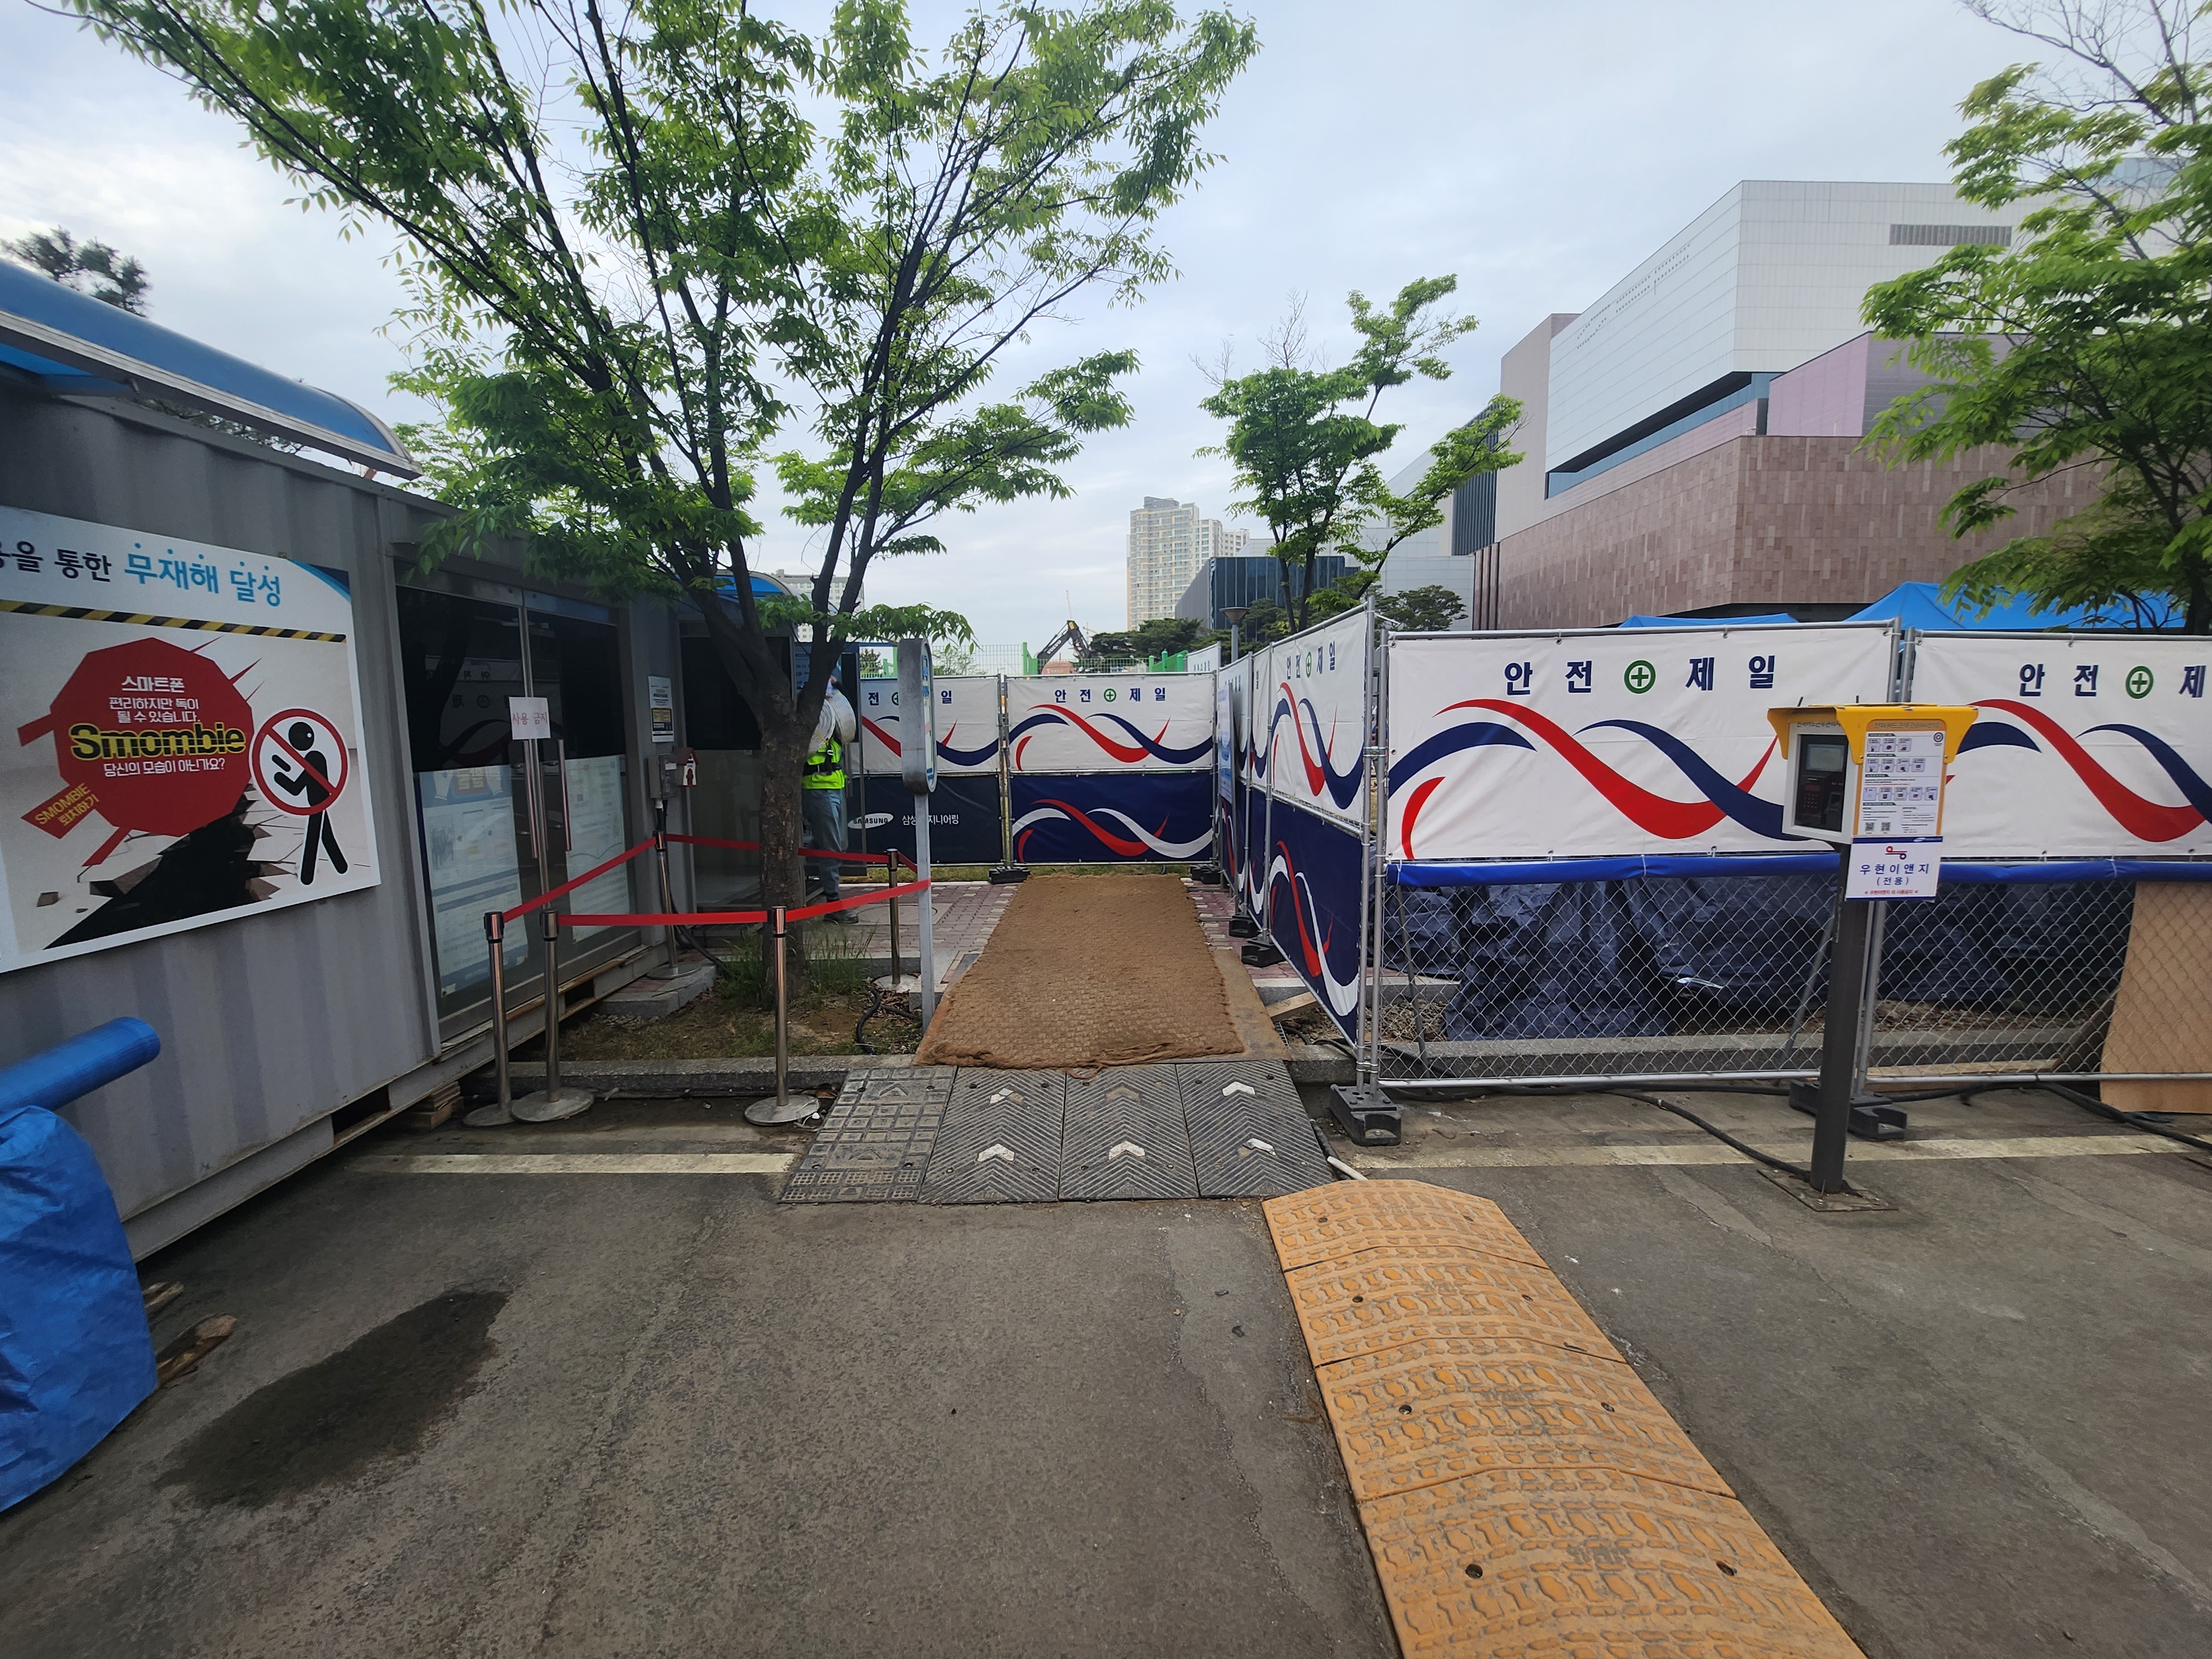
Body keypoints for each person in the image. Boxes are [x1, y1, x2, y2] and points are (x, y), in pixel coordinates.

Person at [802, 669, 857, 917]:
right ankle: (833, 904)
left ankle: (813, 864)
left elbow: (849, 712)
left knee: (838, 845)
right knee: (831, 849)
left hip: (835, 787)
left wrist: (838, 687)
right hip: (818, 789)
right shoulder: (811, 723)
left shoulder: (835, 726)